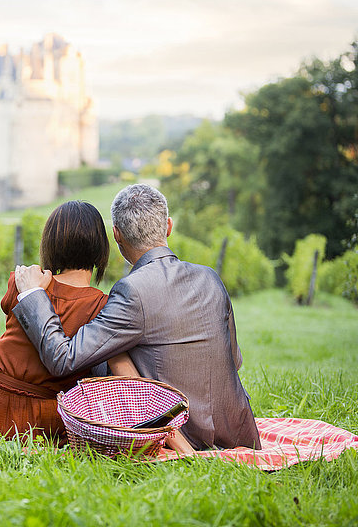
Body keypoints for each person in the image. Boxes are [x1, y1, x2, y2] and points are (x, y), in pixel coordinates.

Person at [13, 184, 261, 451]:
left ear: (117, 236)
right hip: (239, 432)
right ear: (168, 226)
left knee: (109, 353)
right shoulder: (210, 278)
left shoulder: (132, 291)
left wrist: (32, 295)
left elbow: (63, 358)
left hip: (182, 434)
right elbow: (233, 360)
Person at [0, 200, 138, 444]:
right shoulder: (101, 306)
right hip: (40, 422)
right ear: (100, 248)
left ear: (50, 244)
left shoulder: (22, 283)